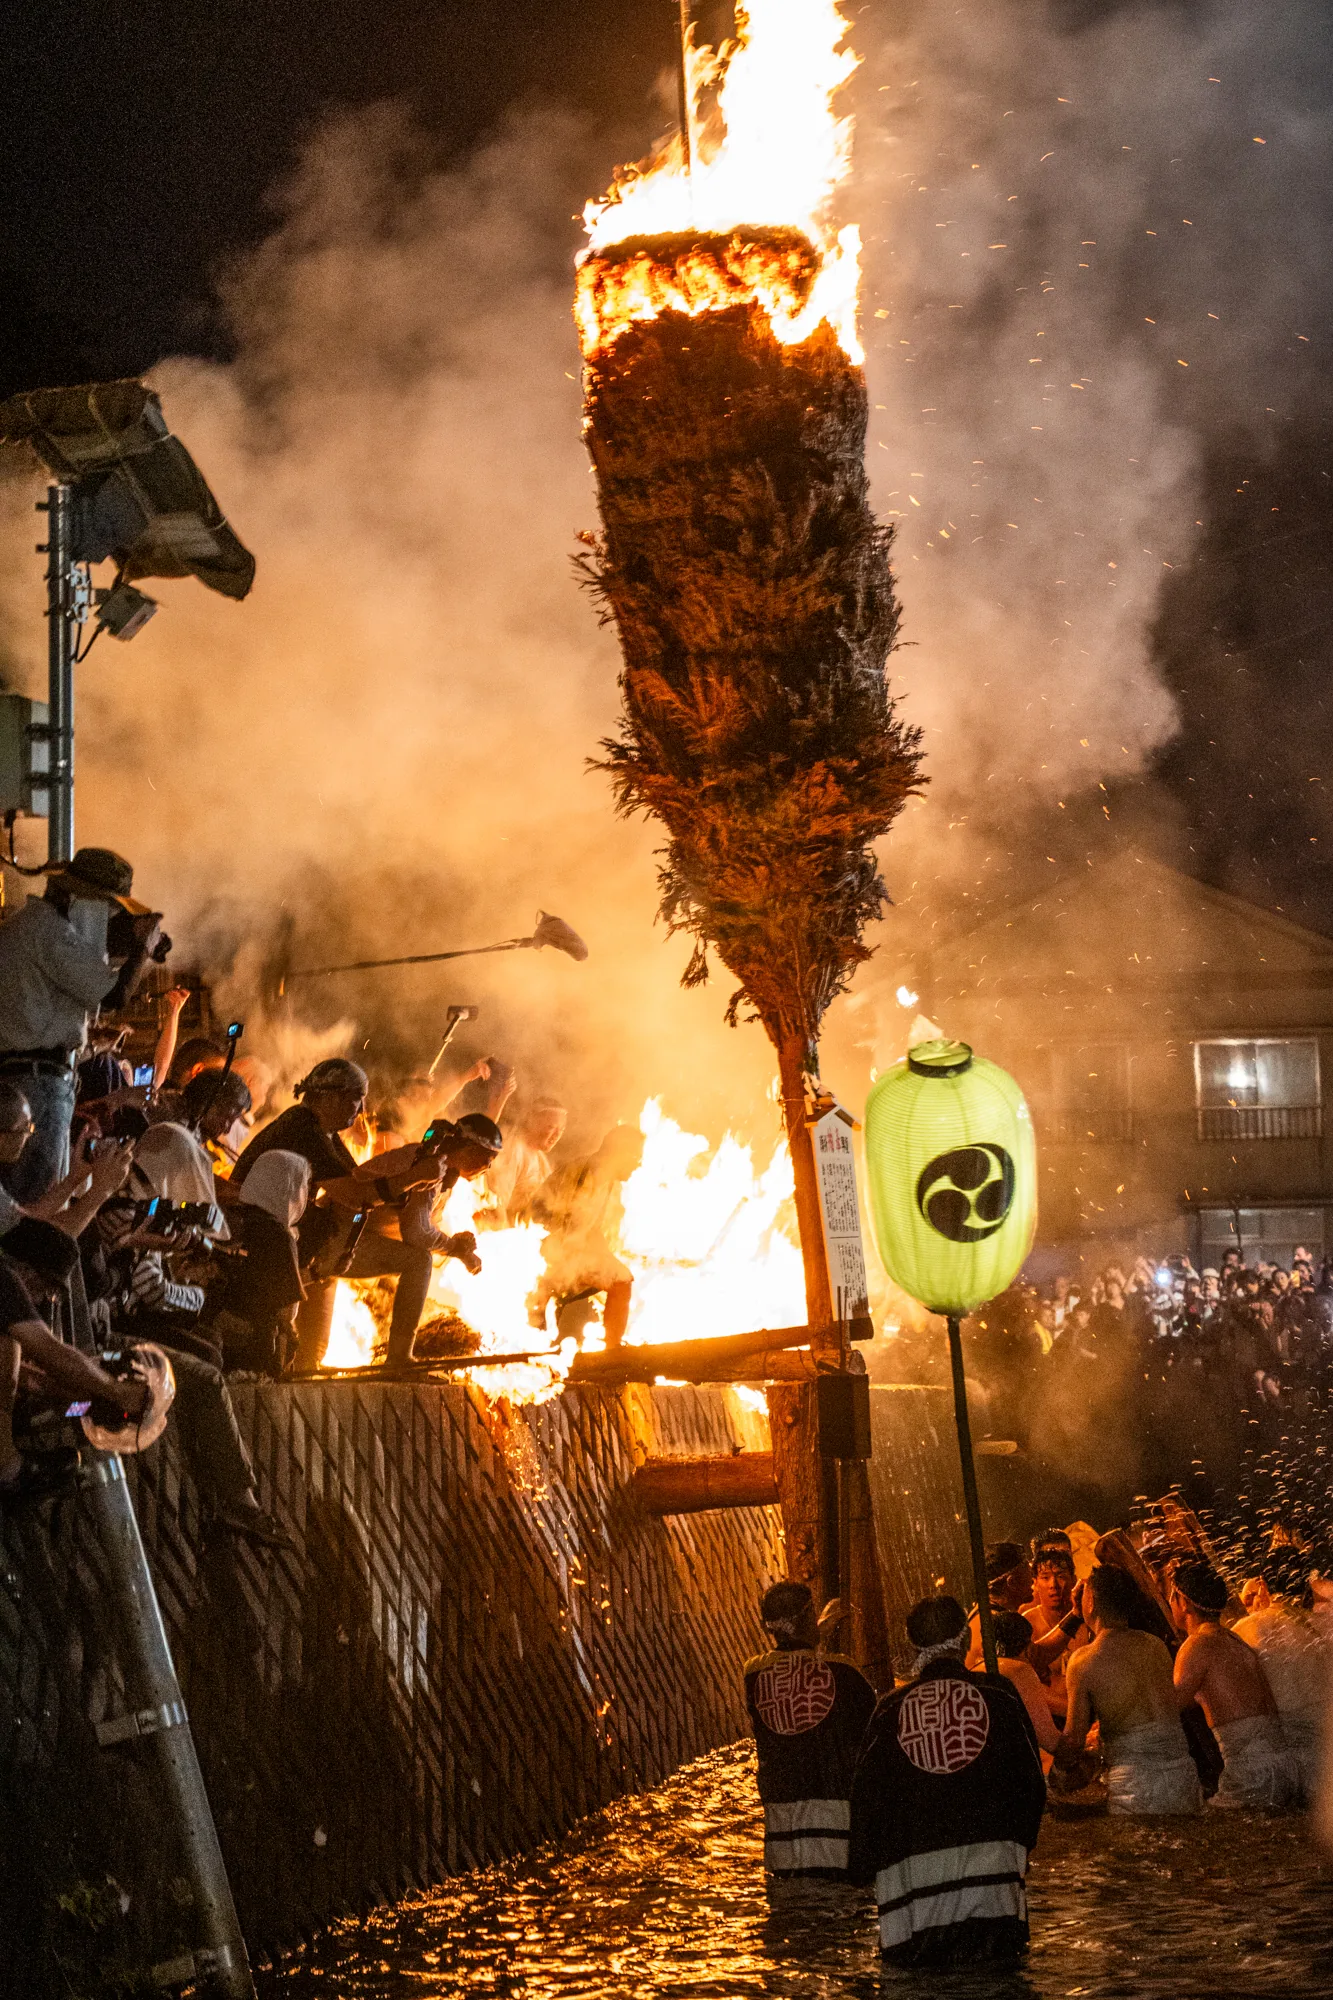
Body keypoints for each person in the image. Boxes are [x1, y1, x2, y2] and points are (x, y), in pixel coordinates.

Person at [848, 1594, 1045, 1968]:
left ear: (912, 1644)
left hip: (915, 1897)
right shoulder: (998, 1695)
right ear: (966, 1639)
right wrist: (1021, 1848)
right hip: (993, 1889)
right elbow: (1031, 1785)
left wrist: (861, 1870)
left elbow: (866, 1798)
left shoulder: (890, 1710)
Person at [232, 1059, 450, 1371]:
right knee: (417, 1260)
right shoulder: (303, 1129)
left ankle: (305, 1366)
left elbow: (356, 1180)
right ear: (332, 1097)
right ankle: (398, 1360)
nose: (361, 1110)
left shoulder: (322, 1131)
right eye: (356, 1098)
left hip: (286, 1237)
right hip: (263, 1242)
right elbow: (356, 1195)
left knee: (316, 1324)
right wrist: (413, 1177)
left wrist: (404, 1176)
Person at [0, 847, 165, 1201]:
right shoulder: (51, 934)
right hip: (39, 1085)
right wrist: (142, 947)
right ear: (86, 902)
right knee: (39, 1200)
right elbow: (115, 996)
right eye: (108, 912)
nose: (108, 922)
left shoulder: (30, 925)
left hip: (25, 1079)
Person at [0, 1221, 154, 1499]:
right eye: (45, 1288)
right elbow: (51, 1351)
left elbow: (27, 1377)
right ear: (26, 1270)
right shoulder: (5, 1280)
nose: (43, 1299)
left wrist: (83, 1400)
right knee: (9, 1343)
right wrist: (117, 1391)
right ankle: (9, 1471)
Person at [743, 1580, 875, 1879]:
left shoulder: (753, 1674)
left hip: (782, 1837)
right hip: (837, 1832)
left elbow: (795, 1667)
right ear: (805, 1618)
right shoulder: (845, 1672)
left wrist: (813, 1636)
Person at [1057, 1564, 1201, 1815]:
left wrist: (1054, 1769)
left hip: (1135, 1785)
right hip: (1183, 1775)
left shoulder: (1084, 1661)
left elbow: (1073, 1741)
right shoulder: (1154, 1645)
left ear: (1090, 1603)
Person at [1169, 1558, 1300, 1811]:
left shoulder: (1196, 1645)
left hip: (1253, 1774)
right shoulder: (1235, 1640)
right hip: (1286, 1767)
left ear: (1184, 1603)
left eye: (1171, 1598)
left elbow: (1167, 1711)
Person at [531, 1125, 644, 1347]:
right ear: (619, 1153)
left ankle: (611, 1349)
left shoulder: (607, 1180)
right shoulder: (583, 1173)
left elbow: (591, 1230)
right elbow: (556, 1222)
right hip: (548, 1252)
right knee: (621, 1282)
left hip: (568, 1251)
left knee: (621, 1278)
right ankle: (610, 1352)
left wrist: (606, 1257)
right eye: (635, 1157)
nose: (637, 1165)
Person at [203, 1151, 308, 1376]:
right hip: (251, 1352)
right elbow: (286, 1311)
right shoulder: (279, 1236)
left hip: (211, 1333)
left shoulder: (227, 1217)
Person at [1234, 1568, 1333, 1803]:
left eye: (1249, 1599)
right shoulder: (1318, 1624)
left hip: (1289, 1746)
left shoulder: (1247, 1627)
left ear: (1263, 1588)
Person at [487, 1096, 566, 1224]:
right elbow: (497, 1200)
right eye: (551, 1127)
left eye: (561, 1130)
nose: (557, 1135)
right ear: (533, 1121)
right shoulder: (513, 1148)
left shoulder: (541, 1159)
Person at [993, 1611, 1061, 1759]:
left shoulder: (980, 1669)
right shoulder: (1019, 1671)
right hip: (1015, 1764)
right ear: (1028, 1646)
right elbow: (1051, 1741)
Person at [965, 1542, 1033, 1668]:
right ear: (1012, 1582)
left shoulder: (983, 1614)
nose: (1033, 1580)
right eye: (1028, 1571)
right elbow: (1035, 1661)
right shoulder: (998, 1625)